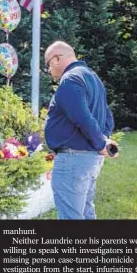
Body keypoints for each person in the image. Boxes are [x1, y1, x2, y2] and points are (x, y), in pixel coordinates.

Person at [43, 41, 117, 220]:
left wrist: (100, 143)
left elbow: (81, 117)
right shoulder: (93, 78)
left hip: (73, 160)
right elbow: (107, 116)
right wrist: (104, 140)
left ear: (58, 58)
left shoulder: (71, 79)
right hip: (89, 160)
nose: (49, 71)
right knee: (86, 215)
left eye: (48, 65)